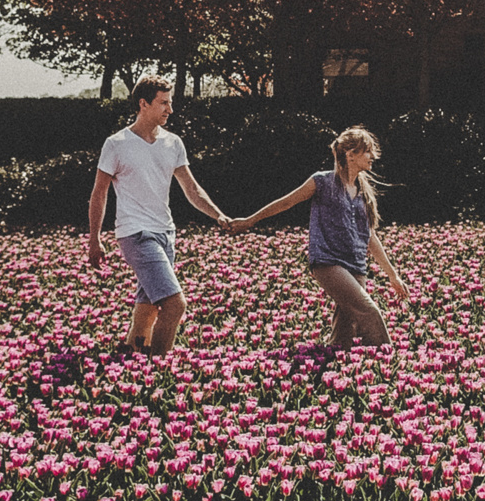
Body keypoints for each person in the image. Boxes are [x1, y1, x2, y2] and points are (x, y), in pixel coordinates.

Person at [86, 76, 232, 355]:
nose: (170, 110)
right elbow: (99, 194)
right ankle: (158, 368)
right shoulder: (116, 144)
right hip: (136, 234)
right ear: (143, 104)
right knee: (175, 304)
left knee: (149, 305)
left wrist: (218, 215)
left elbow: (191, 188)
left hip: (166, 233)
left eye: (170, 102)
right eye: (163, 103)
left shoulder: (173, 143)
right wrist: (95, 239)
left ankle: (130, 354)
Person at [227, 124, 410, 348]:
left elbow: (370, 236)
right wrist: (249, 220)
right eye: (368, 151)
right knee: (368, 310)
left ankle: (329, 369)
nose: (373, 156)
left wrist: (393, 275)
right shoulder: (322, 182)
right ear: (351, 155)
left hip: (356, 266)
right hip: (328, 262)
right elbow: (287, 202)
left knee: (343, 337)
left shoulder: (363, 192)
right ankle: (387, 358)